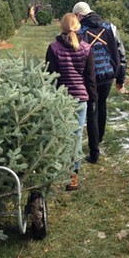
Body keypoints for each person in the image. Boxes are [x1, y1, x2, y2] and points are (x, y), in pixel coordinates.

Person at [46, 13, 97, 191]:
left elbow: (50, 75)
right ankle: (73, 177)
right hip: (81, 98)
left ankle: (57, 171)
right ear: (77, 27)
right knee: (76, 137)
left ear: (61, 27)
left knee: (60, 136)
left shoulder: (53, 48)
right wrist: (92, 99)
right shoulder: (86, 48)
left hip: (61, 98)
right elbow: (90, 77)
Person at [72, 1, 121, 164]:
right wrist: (119, 75)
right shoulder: (109, 27)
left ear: (79, 15)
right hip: (108, 74)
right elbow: (119, 52)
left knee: (92, 111)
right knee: (102, 106)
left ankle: (94, 152)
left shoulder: (79, 30)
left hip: (90, 77)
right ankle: (99, 139)